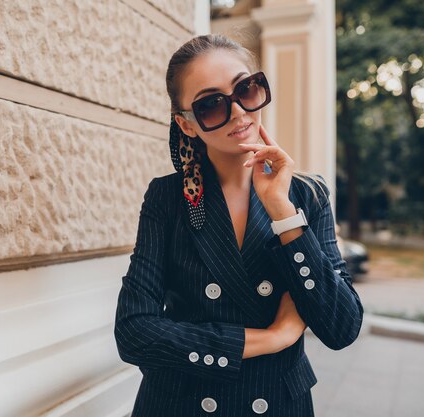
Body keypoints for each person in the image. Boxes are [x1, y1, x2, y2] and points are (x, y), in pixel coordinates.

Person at [113, 34, 364, 417]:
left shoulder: (307, 195)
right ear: (187, 124)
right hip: (183, 403)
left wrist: (283, 211)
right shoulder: (169, 198)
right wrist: (272, 338)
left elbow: (342, 327)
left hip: (277, 402)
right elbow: (134, 333)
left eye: (246, 89)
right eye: (211, 104)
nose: (238, 113)